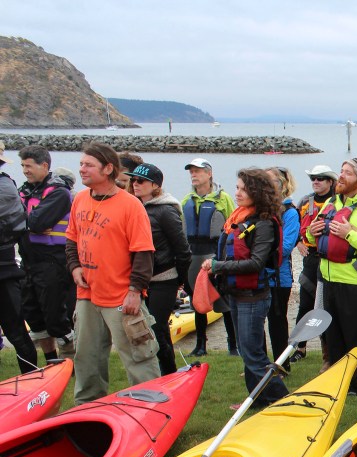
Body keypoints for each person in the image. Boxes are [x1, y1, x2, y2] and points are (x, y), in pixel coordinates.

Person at [65, 142, 160, 404]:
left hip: (121, 297)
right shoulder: (80, 199)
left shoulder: (130, 205)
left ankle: (150, 406)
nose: (82, 169)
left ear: (108, 169)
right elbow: (72, 239)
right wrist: (74, 268)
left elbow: (143, 252)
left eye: (88, 165)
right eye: (81, 163)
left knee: (138, 355)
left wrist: (133, 292)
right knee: (86, 356)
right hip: (87, 294)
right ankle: (87, 408)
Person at [202, 168, 289, 409]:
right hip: (237, 295)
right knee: (247, 350)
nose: (237, 193)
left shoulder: (263, 224)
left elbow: (256, 262)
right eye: (237, 188)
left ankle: (283, 399)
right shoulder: (240, 218)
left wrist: (218, 266)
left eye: (243, 189)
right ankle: (257, 399)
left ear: (257, 192)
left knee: (253, 353)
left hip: (253, 297)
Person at [306, 158, 357, 394]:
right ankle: (339, 379)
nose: (341, 176)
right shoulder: (331, 203)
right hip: (328, 278)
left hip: (354, 282)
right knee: (333, 336)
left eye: (348, 173)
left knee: (356, 335)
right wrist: (312, 234)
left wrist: (350, 234)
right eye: (341, 171)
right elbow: (314, 240)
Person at [127, 162, 191, 376]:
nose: (135, 184)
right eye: (132, 180)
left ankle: (169, 374)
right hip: (139, 280)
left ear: (155, 185)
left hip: (164, 278)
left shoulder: (166, 210)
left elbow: (183, 249)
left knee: (158, 329)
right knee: (141, 328)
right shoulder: (132, 207)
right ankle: (152, 372)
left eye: (140, 181)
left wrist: (178, 278)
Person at [17, 144, 76, 362]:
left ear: (44, 165)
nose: (25, 170)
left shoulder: (59, 193)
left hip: (52, 262)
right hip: (29, 262)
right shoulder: (25, 190)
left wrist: (23, 220)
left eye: (29, 166)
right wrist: (26, 222)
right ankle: (51, 359)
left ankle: (69, 359)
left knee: (56, 316)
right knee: (34, 315)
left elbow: (36, 221)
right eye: (23, 165)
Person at [182, 158, 236, 356]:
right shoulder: (187, 200)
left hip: (214, 254)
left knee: (224, 301)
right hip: (193, 255)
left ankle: (233, 345)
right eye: (191, 172)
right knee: (197, 301)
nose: (194, 175)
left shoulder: (223, 199)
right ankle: (200, 345)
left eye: (198, 171)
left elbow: (233, 229)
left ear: (209, 173)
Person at [291, 164, 337, 364]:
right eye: (313, 178)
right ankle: (300, 347)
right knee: (305, 304)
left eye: (320, 178)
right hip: (310, 258)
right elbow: (292, 226)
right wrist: (299, 242)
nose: (316, 182)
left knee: (327, 306)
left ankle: (329, 348)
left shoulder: (336, 202)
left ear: (330, 182)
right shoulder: (304, 202)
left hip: (329, 259)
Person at [0, 142, 37, 373]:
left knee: (16, 331)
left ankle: (32, 380)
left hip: (4, 272)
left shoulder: (4, 186)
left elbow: (14, 225)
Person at [267, 167, 300, 371]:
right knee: (257, 323)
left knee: (277, 321)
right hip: (261, 276)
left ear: (282, 185)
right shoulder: (262, 211)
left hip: (280, 277)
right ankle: (262, 365)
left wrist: (260, 254)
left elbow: (287, 246)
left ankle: (282, 364)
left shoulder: (290, 213)